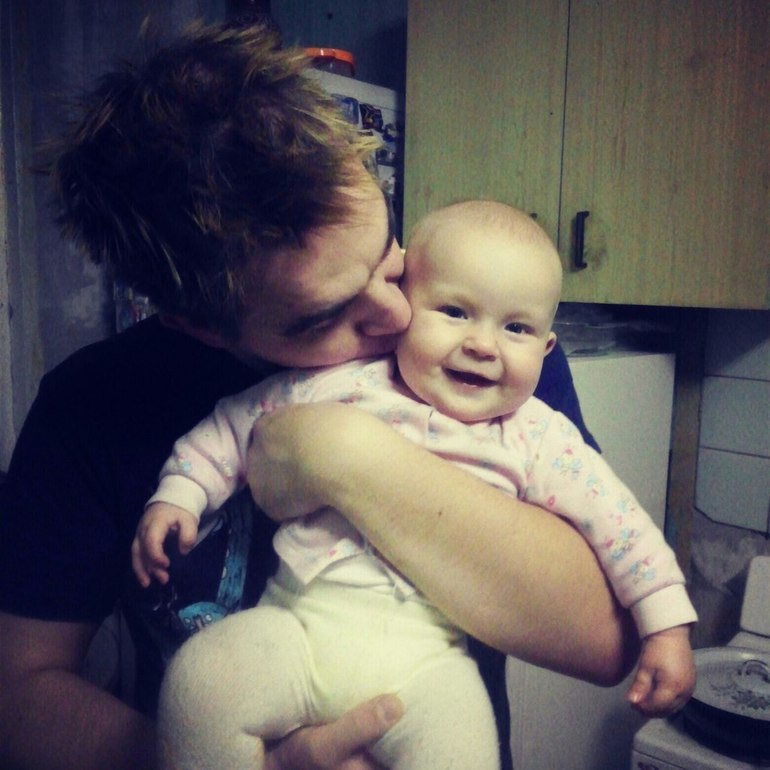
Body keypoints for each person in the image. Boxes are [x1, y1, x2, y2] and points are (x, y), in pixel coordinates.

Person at [0, 21, 639, 770]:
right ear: (198, 325)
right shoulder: (89, 405)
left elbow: (606, 640)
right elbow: (19, 691)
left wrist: (346, 457)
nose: (398, 315)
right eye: (323, 317)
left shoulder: (483, 352)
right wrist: (210, 757)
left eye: (386, 253)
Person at [133, 200, 697, 770]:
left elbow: (621, 526)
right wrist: (180, 492)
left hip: (430, 667)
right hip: (299, 629)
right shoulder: (340, 382)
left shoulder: (541, 437)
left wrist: (667, 625)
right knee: (199, 683)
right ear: (409, 309)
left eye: (517, 328)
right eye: (454, 312)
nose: (483, 345)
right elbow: (233, 426)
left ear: (546, 347)